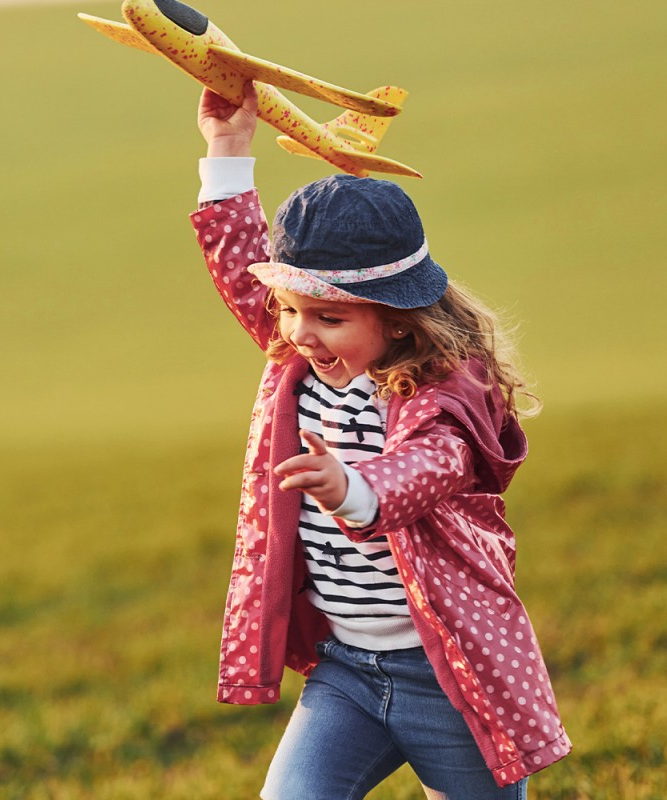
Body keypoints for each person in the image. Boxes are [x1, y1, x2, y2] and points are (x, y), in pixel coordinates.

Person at [190, 82, 571, 800]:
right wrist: (227, 148)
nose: (300, 332)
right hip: (346, 675)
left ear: (396, 318)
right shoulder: (300, 361)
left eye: (328, 317)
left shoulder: (448, 392)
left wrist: (351, 488)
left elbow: (428, 467)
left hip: (449, 674)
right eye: (291, 309)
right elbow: (242, 269)